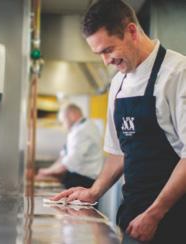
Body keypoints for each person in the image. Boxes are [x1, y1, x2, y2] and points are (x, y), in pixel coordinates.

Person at [51, 1, 186, 243]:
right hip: (134, 213)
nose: (106, 61)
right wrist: (93, 190)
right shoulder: (118, 84)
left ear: (132, 32)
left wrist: (155, 214)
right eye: (99, 54)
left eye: (108, 50)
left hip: (173, 216)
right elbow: (118, 153)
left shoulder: (178, 73)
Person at [36, 103, 104, 189]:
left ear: (72, 115)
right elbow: (63, 157)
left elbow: (70, 161)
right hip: (77, 178)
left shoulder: (84, 129)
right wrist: (48, 170)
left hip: (83, 180)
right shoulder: (77, 129)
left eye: (63, 121)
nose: (63, 125)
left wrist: (47, 172)